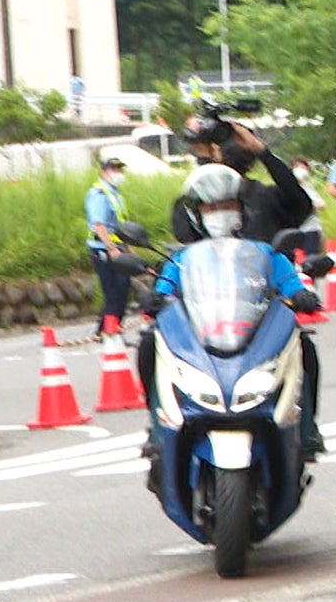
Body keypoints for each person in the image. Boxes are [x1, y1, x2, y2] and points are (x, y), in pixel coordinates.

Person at [138, 164, 325, 480]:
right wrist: (154, 299)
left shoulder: (265, 254)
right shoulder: (182, 260)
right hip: (200, 343)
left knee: (305, 345)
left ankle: (307, 429)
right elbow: (163, 291)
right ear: (197, 214)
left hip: (253, 340)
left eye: (227, 206)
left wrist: (302, 295)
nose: (220, 214)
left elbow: (291, 284)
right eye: (212, 207)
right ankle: (158, 428)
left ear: (241, 210)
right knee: (147, 344)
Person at [171, 118, 313, 249]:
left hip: (265, 274)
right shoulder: (269, 196)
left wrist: (203, 149)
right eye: (212, 208)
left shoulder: (267, 197)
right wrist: (263, 153)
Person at [84, 157, 132, 336]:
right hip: (103, 250)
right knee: (113, 292)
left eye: (120, 169)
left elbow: (121, 224)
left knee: (122, 290)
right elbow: (99, 225)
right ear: (103, 171)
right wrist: (112, 248)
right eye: (114, 169)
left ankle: (109, 330)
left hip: (118, 249)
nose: (118, 173)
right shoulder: (99, 194)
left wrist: (127, 247)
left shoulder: (114, 193)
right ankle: (108, 333)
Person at [292, 157, 327, 255]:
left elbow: (322, 204)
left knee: (312, 256)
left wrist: (312, 205)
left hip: (312, 227)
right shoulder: (290, 188)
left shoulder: (309, 187)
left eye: (303, 167)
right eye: (297, 167)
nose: (300, 170)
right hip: (296, 229)